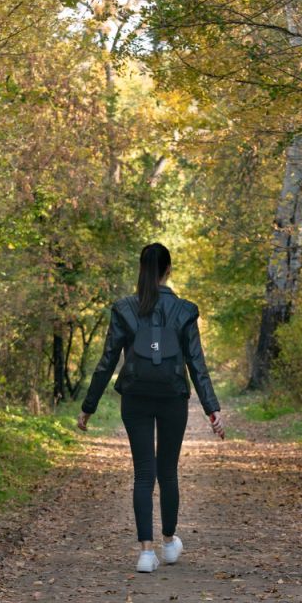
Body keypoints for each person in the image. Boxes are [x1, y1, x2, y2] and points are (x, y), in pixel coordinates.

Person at [77, 242, 226, 572]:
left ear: (142, 270)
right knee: (167, 471)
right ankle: (169, 543)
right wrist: (211, 408)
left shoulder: (125, 309)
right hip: (173, 396)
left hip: (135, 397)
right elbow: (196, 364)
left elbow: (107, 362)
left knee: (144, 473)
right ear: (168, 270)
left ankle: (146, 552)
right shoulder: (185, 310)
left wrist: (89, 406)